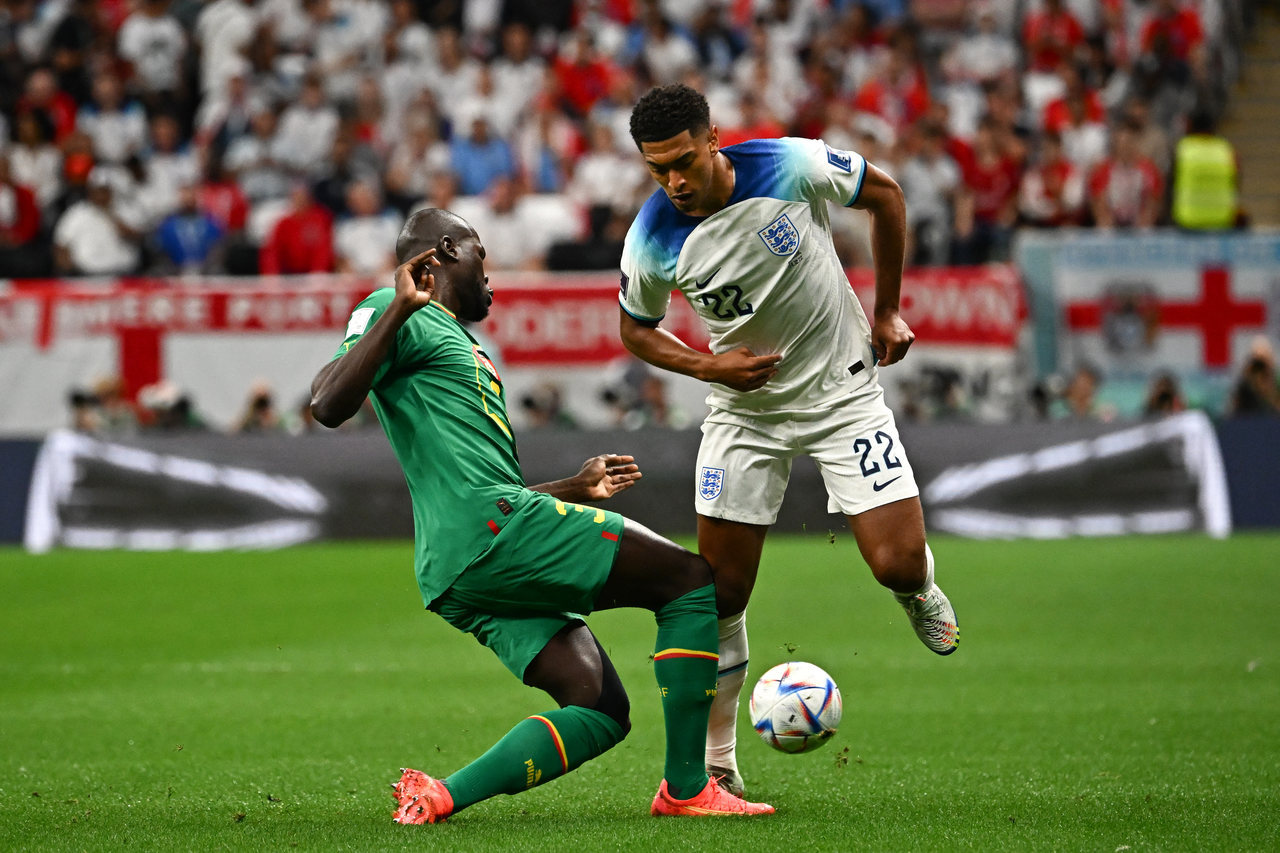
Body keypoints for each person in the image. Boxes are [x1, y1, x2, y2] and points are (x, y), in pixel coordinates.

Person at [308, 208, 774, 823]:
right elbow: (326, 403)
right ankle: (689, 787)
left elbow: (482, 482)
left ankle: (439, 795)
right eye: (481, 253)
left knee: (600, 708)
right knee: (690, 584)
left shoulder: (456, 341)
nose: (490, 273)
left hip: (462, 564)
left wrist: (572, 489)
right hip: (490, 537)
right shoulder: (400, 312)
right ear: (444, 252)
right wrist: (399, 306)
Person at [617, 83, 959, 799]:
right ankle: (716, 762)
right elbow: (635, 328)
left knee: (894, 562)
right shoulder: (652, 236)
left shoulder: (789, 164)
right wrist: (709, 364)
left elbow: (887, 196)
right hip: (747, 412)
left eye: (683, 160)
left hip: (842, 390)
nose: (674, 181)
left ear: (713, 137)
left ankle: (920, 588)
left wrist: (889, 309)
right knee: (720, 594)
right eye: (658, 170)